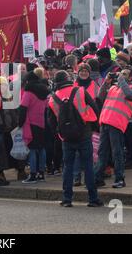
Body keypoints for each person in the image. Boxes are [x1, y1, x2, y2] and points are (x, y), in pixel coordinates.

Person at [48, 71, 103, 208]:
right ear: (68, 79)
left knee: (68, 167)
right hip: (84, 132)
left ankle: (67, 199)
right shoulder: (80, 90)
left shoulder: (53, 98)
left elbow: (51, 121)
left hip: (66, 137)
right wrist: (95, 126)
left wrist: (59, 133)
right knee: (88, 166)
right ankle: (93, 198)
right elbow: (95, 107)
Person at [94, 68, 132, 189]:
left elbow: (130, 95)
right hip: (105, 122)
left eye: (124, 74)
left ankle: (120, 178)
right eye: (121, 73)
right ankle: (97, 178)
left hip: (117, 123)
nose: (121, 75)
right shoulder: (114, 87)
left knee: (117, 152)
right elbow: (100, 96)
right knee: (102, 152)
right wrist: (106, 82)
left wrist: (120, 80)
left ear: (130, 78)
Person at [19, 72, 50, 184]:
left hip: (31, 124)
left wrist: (20, 123)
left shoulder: (28, 93)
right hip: (42, 123)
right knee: (41, 148)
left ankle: (32, 174)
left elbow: (23, 108)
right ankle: (41, 173)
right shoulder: (44, 92)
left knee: (32, 149)